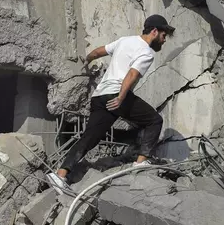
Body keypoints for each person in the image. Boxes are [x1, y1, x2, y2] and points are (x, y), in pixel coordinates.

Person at [47, 14, 175, 195]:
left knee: (90, 137)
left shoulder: (125, 41)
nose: (164, 40)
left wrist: (87, 59)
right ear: (154, 31)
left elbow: (99, 51)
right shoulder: (147, 52)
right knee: (154, 120)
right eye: (163, 35)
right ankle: (140, 162)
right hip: (116, 94)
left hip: (99, 95)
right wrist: (122, 97)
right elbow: (132, 74)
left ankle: (60, 175)